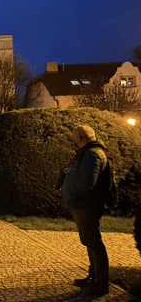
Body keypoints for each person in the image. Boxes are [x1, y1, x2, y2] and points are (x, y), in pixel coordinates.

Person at [63, 125, 110, 296]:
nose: (75, 143)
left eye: (75, 139)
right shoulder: (91, 152)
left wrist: (73, 195)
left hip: (86, 205)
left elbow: (87, 182)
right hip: (84, 204)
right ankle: (93, 277)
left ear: (79, 139)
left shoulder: (91, 153)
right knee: (90, 242)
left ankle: (100, 282)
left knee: (93, 242)